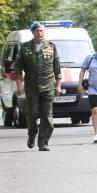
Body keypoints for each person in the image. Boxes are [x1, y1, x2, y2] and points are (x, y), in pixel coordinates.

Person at [14, 21, 61, 151]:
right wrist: (19, 85)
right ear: (33, 32)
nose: (39, 33)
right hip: (31, 87)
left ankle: (43, 142)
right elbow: (17, 68)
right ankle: (32, 134)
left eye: (41, 31)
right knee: (32, 114)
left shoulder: (51, 47)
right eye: (37, 31)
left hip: (47, 86)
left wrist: (58, 85)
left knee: (47, 116)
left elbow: (57, 68)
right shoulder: (25, 48)